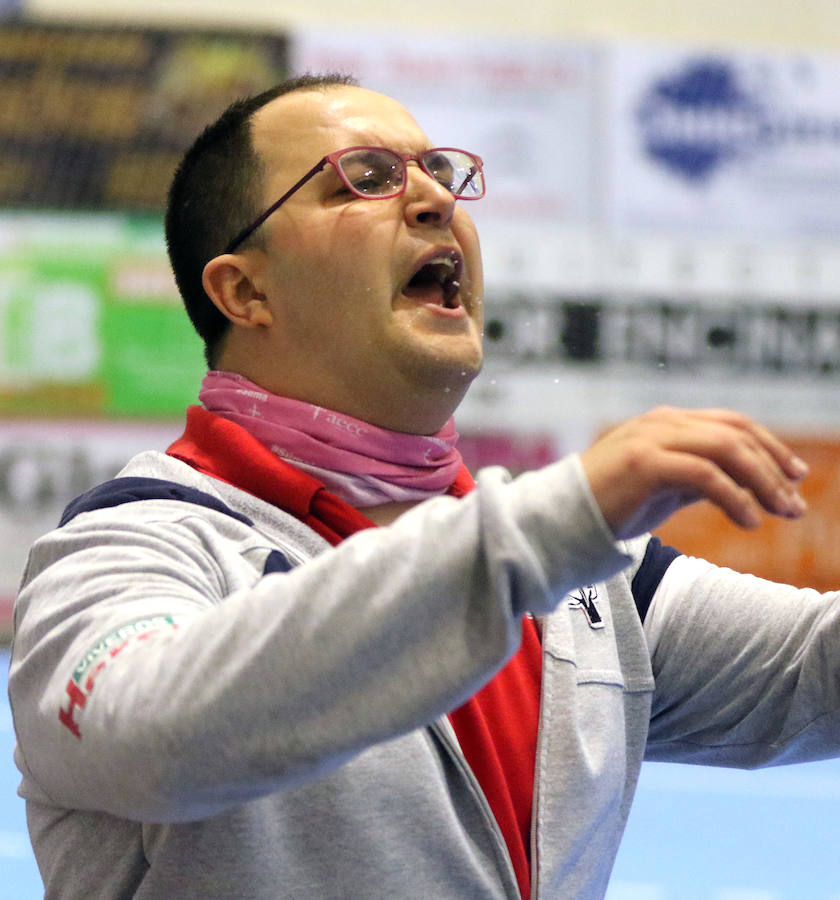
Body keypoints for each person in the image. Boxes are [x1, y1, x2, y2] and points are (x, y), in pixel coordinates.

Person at [7, 73, 839, 900]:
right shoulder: (124, 547)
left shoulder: (584, 576)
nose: (434, 200)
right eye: (364, 177)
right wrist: (555, 524)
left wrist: (552, 535)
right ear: (246, 291)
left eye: (439, 172)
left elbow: (816, 674)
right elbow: (158, 738)